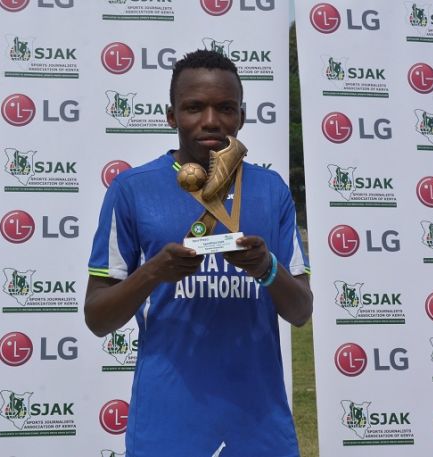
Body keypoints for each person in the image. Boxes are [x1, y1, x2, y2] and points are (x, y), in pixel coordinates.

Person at [85, 49, 313, 456]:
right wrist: (153, 272)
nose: (211, 120)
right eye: (194, 107)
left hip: (258, 421)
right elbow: (98, 317)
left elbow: (300, 312)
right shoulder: (132, 189)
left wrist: (266, 268)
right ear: (171, 115)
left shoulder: (272, 190)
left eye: (225, 108)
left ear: (241, 116)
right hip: (168, 420)